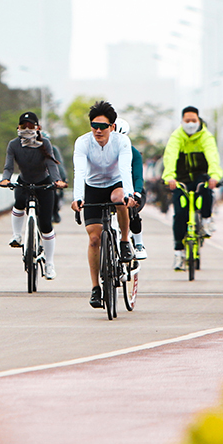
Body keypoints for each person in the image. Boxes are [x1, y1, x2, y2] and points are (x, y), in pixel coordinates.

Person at [70, 101, 137, 308]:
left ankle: (125, 241)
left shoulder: (122, 142)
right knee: (93, 239)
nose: (98, 131)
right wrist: (77, 198)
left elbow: (126, 169)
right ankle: (95, 288)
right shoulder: (82, 142)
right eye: (94, 126)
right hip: (93, 187)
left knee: (119, 200)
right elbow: (79, 171)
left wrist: (129, 194)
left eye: (103, 127)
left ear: (112, 127)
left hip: (115, 184)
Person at [0, 111, 67, 280]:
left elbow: (52, 165)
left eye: (31, 126)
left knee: (45, 225)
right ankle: (17, 236)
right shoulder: (13, 145)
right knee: (19, 202)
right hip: (24, 182)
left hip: (44, 184)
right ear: (18, 128)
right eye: (23, 126)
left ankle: (49, 263)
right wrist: (5, 180)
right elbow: (8, 167)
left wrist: (57, 181)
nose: (27, 129)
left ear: (38, 128)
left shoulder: (46, 143)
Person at [162, 106, 223, 271]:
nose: (190, 124)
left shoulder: (205, 136)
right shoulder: (176, 136)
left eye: (193, 120)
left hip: (199, 177)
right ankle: (179, 252)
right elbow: (170, 157)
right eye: (187, 121)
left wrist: (215, 176)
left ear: (199, 120)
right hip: (180, 179)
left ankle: (206, 219)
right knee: (180, 214)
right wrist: (169, 178)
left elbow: (212, 156)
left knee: (206, 189)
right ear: (182, 121)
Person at [114, 118, 148, 260]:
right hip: (113, 190)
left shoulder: (133, 152)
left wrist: (136, 193)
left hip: (132, 188)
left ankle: (139, 243)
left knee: (131, 208)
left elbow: (138, 176)